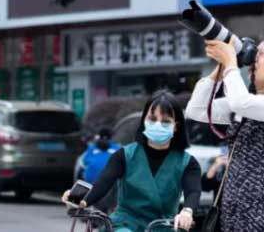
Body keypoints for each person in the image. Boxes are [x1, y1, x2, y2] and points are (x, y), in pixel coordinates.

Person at [185, 36, 264, 232]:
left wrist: (231, 64)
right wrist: (219, 70)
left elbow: (240, 102)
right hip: (234, 215)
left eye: (262, 54)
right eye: (254, 53)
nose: (254, 59)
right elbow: (197, 109)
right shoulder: (248, 103)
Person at [62, 91, 201, 232]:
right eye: (152, 119)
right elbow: (103, 182)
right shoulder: (124, 155)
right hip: (125, 224)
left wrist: (187, 212)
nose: (158, 125)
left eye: (165, 121)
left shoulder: (188, 162)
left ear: (176, 126)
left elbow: (193, 191)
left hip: (164, 225)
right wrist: (81, 201)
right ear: (144, 120)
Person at [77, 127, 121, 212]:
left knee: (106, 204)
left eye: (106, 139)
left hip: (110, 186)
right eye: (102, 138)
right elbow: (82, 164)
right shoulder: (92, 149)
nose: (104, 141)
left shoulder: (116, 149)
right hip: (91, 184)